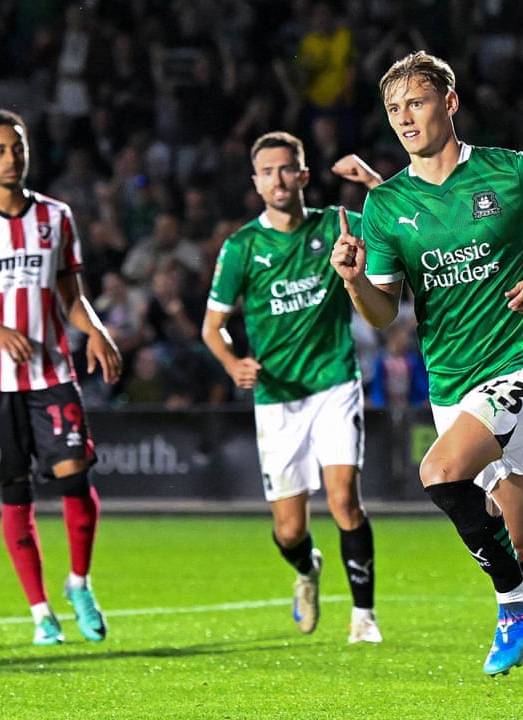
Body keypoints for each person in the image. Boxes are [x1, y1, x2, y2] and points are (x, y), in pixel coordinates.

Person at [330, 51, 523, 676]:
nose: (405, 118)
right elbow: (380, 311)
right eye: (394, 108)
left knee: (439, 471)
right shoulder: (386, 204)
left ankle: (510, 600)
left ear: (449, 104)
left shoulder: (511, 172)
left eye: (416, 103)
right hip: (452, 384)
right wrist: (351, 281)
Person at [0, 109, 123, 646]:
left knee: (75, 475)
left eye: (17, 147)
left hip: (51, 371)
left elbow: (72, 297)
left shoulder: (57, 218)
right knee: (16, 493)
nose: (11, 157)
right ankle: (41, 612)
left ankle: (79, 583)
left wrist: (98, 331)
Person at [201, 131, 383, 644]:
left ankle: (364, 617)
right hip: (278, 397)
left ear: (303, 176)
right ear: (256, 182)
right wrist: (233, 362)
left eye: (288, 169)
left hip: (333, 381)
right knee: (288, 531)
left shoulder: (334, 225)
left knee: (345, 499)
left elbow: (401, 215)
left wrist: (370, 180)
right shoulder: (242, 247)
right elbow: (211, 327)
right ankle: (308, 569)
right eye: (268, 171)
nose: (279, 179)